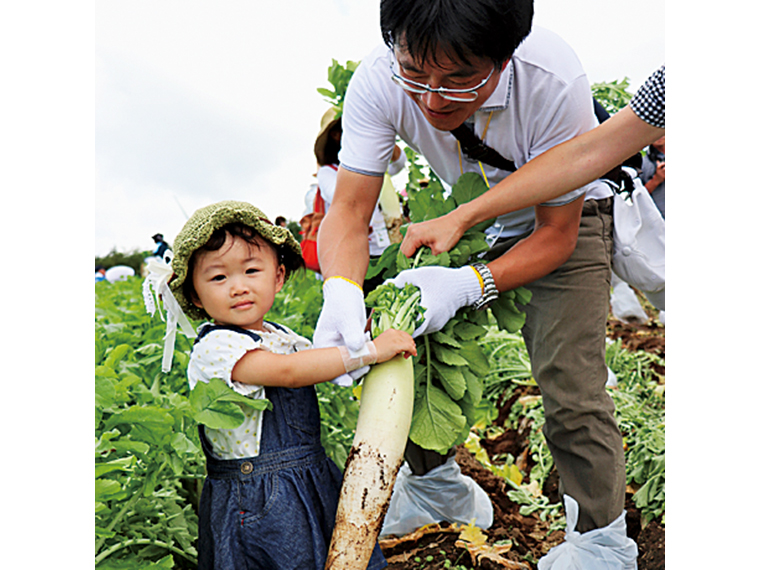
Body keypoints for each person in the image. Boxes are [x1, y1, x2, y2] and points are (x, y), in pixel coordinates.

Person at [314, 1, 640, 567]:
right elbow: (349, 206)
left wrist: (469, 284)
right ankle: (435, 489)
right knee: (401, 338)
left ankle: (600, 543)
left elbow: (557, 234)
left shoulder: (552, 80)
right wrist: (341, 287)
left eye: (460, 79)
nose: (432, 99)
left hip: (566, 219)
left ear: (505, 57)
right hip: (463, 217)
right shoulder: (378, 77)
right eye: (415, 74)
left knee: (570, 383)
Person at [164, 200, 415, 570]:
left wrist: (360, 338)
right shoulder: (216, 348)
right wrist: (371, 351)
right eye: (218, 278)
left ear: (277, 277)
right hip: (259, 499)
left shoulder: (279, 337)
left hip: (309, 481)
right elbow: (289, 373)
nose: (238, 287)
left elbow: (317, 363)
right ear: (196, 296)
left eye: (251, 270)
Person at [400, 65, 665, 255]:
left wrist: (462, 219)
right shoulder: (663, 89)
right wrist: (461, 219)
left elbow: (587, 156)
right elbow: (589, 154)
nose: (433, 100)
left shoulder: (552, 78)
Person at [641, 135, 665, 218]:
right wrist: (656, 179)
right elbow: (634, 199)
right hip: (659, 221)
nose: (659, 135)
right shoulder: (641, 162)